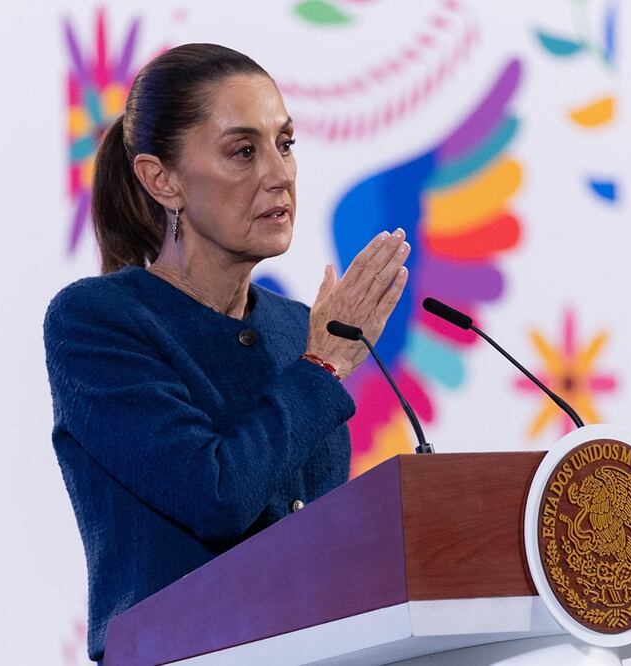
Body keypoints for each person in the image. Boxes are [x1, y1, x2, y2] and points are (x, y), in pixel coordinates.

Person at [43, 43, 410, 664]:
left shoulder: (300, 329)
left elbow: (316, 537)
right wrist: (322, 367)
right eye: (244, 151)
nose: (279, 173)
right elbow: (214, 495)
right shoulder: (98, 322)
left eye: (286, 144)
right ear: (163, 180)